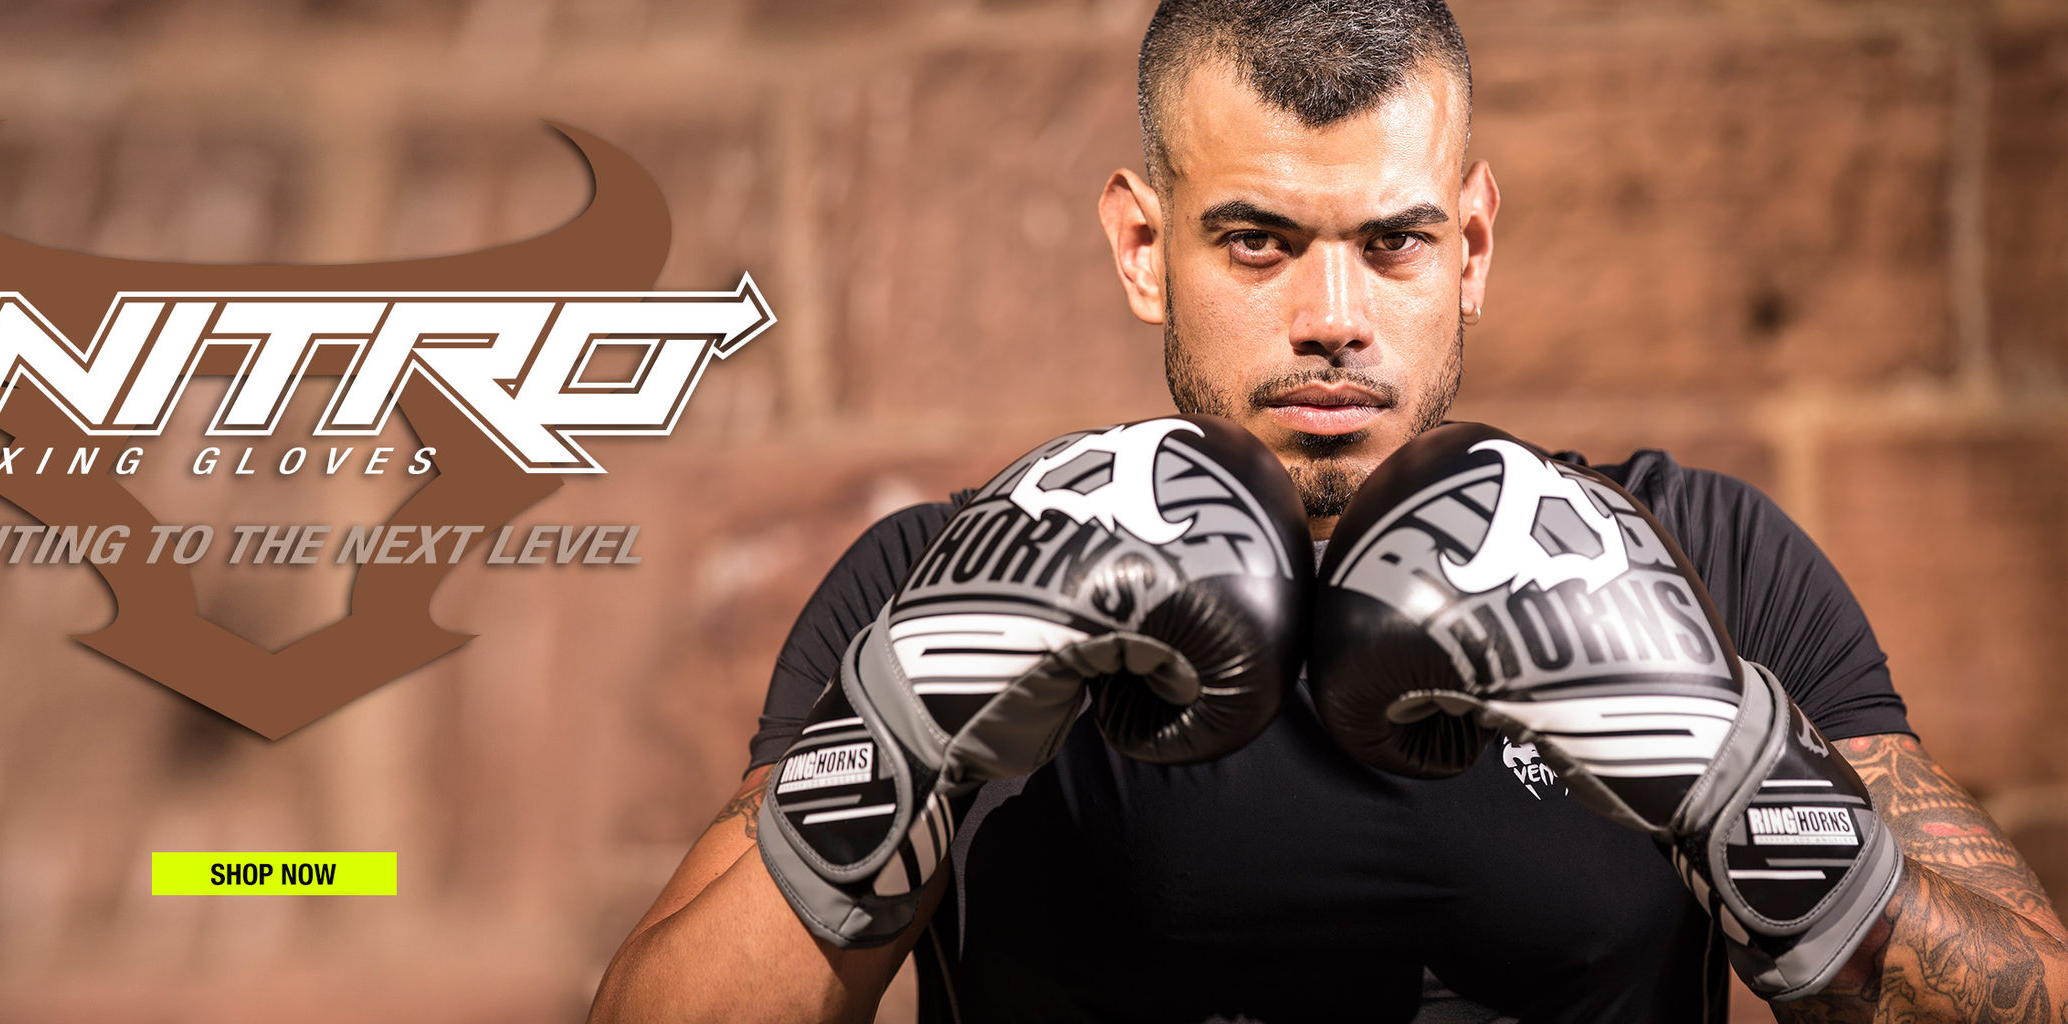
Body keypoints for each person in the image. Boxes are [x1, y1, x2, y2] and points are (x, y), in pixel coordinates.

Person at [588, 1, 2068, 1020]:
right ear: (1141, 245)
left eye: (1395, 243)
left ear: (1472, 244)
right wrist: (904, 725)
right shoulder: (945, 575)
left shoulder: (1704, 557)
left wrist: (1735, 775)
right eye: (1258, 242)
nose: (1334, 318)